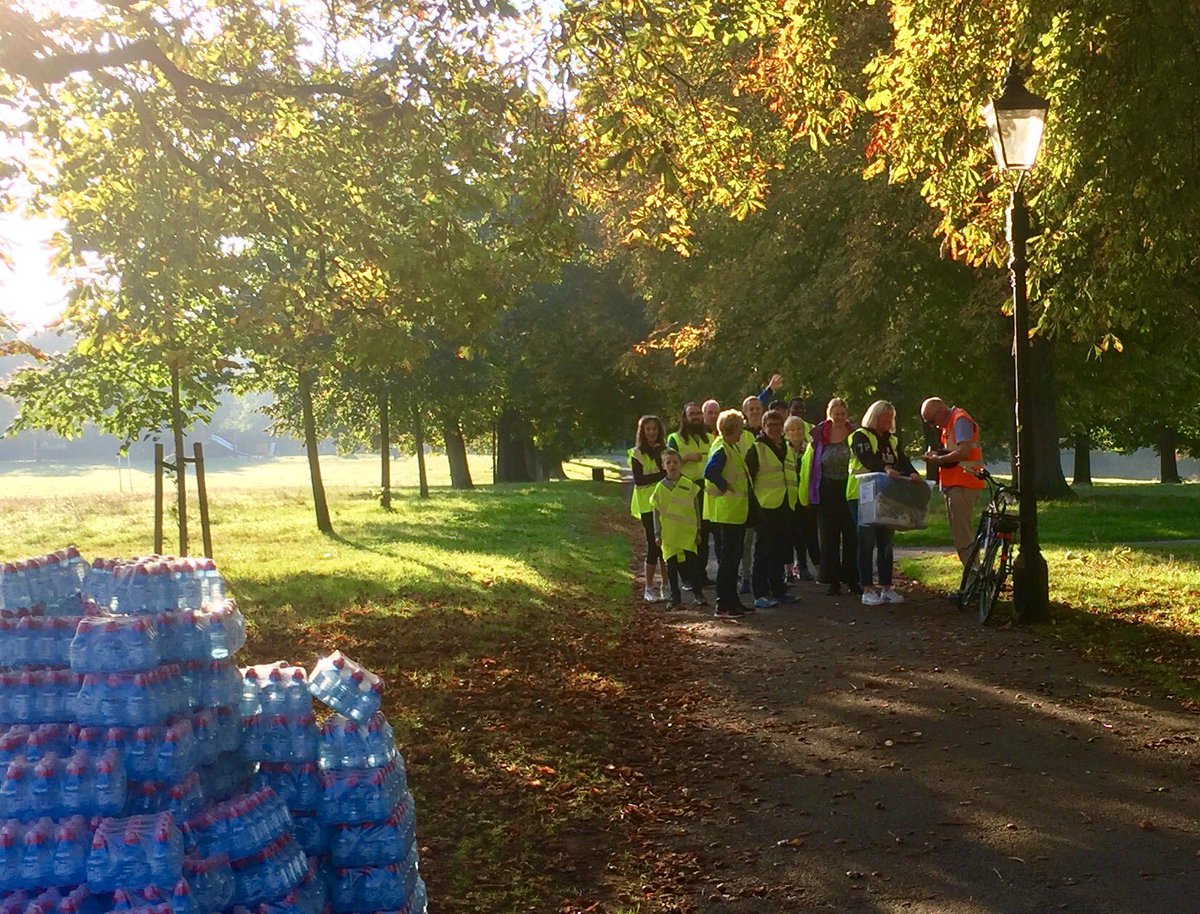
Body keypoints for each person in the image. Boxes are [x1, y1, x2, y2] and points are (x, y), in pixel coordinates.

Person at [848, 400, 922, 606]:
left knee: (886, 542)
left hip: (887, 496)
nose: (888, 421)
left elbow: (902, 461)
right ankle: (866, 587)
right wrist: (886, 469)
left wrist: (913, 473)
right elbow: (867, 459)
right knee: (866, 542)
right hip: (862, 494)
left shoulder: (893, 440)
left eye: (891, 417)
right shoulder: (860, 436)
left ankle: (886, 586)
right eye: (884, 416)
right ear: (874, 416)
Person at [920, 397, 985, 566]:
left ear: (940, 411)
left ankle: (973, 579)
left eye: (931, 420)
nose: (932, 425)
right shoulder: (950, 424)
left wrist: (938, 460)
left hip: (963, 484)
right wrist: (939, 455)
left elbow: (964, 452)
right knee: (960, 535)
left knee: (963, 536)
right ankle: (972, 577)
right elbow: (954, 452)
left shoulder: (960, 420)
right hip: (956, 484)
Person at [808, 397, 861, 596]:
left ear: (847, 415)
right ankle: (833, 580)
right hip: (826, 488)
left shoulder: (855, 433)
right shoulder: (820, 434)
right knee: (829, 536)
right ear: (829, 414)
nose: (839, 417)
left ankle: (853, 579)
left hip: (849, 487)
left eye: (842, 414)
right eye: (836, 414)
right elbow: (811, 463)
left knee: (851, 535)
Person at [703, 409, 752, 618]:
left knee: (733, 559)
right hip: (728, 512)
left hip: (735, 512)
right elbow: (710, 471)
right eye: (740, 427)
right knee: (728, 561)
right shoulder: (723, 448)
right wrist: (725, 486)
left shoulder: (729, 447)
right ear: (733, 429)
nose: (742, 432)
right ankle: (724, 604)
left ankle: (732, 601)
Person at [745, 409, 794, 608]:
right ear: (763, 427)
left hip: (785, 504)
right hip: (764, 506)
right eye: (770, 425)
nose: (774, 428)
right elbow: (748, 479)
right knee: (763, 551)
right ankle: (760, 593)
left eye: (777, 424)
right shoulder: (756, 449)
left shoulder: (787, 447)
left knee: (780, 550)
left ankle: (779, 590)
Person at [650, 448, 707, 608]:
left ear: (681, 464)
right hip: (669, 535)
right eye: (668, 462)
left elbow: (696, 510)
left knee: (693, 566)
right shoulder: (660, 489)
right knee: (671, 567)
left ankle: (698, 594)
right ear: (663, 466)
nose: (672, 465)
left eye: (675, 462)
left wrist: (698, 530)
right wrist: (657, 533)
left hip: (688, 533)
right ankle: (675, 596)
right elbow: (656, 512)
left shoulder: (689, 485)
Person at [667, 403, 716, 585]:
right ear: (684, 417)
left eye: (697, 414)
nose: (695, 417)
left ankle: (701, 575)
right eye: (691, 414)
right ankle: (687, 577)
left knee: (702, 535)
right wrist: (685, 458)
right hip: (684, 490)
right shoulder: (675, 438)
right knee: (685, 534)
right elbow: (666, 462)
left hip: (705, 490)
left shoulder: (710, 439)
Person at [629, 415, 667, 602]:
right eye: (648, 429)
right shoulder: (636, 453)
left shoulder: (665, 451)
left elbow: (671, 473)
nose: (652, 432)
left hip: (665, 502)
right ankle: (649, 586)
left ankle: (666, 585)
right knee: (653, 544)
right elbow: (639, 479)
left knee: (666, 545)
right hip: (646, 504)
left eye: (654, 429)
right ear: (642, 433)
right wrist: (661, 475)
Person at [783, 415, 819, 581]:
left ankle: (811, 566)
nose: (796, 432)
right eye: (792, 429)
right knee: (790, 534)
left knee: (809, 533)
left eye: (798, 429)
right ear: (786, 432)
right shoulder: (783, 449)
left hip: (805, 497)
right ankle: (789, 570)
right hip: (788, 497)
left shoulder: (809, 448)